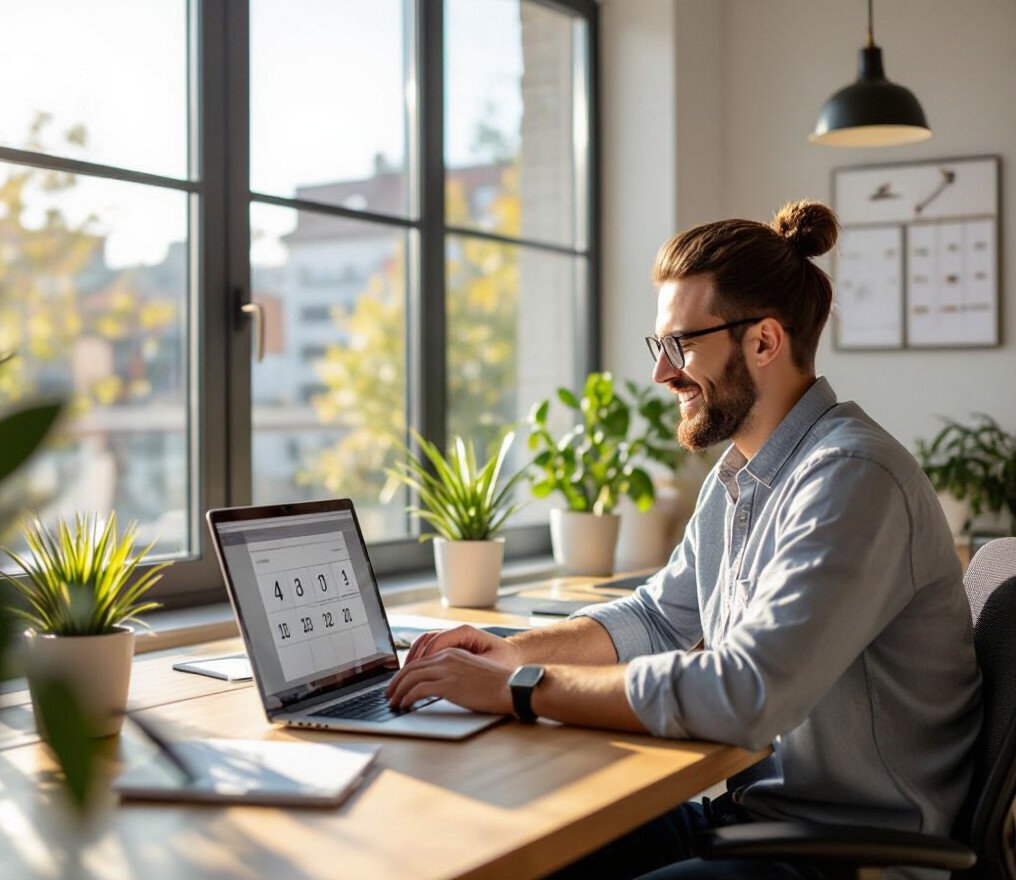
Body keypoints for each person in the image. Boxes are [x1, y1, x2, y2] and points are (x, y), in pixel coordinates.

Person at [386, 200, 981, 880]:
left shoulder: (852, 480)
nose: (661, 374)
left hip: (843, 856)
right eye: (658, 346)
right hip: (759, 823)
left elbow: (746, 691)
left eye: (682, 345)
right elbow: (657, 616)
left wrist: (519, 687)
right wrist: (504, 652)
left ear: (763, 342)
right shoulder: (744, 476)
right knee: (507, 844)